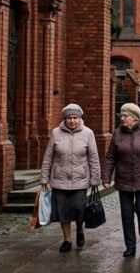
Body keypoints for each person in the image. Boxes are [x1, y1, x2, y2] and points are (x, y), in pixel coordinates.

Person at [102, 103, 140, 257]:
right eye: (121, 116)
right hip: (123, 179)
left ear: (135, 118)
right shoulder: (117, 134)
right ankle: (130, 246)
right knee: (126, 214)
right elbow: (110, 157)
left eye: (125, 116)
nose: (122, 118)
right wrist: (106, 177)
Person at [40, 103, 101, 253]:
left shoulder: (88, 133)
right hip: (59, 179)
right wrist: (44, 178)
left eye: (75, 118)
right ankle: (67, 239)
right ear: (65, 119)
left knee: (79, 209)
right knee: (62, 211)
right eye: (69, 118)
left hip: (80, 180)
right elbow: (48, 157)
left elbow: (94, 158)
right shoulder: (56, 133)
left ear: (80, 118)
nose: (72, 121)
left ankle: (80, 230)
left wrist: (95, 179)